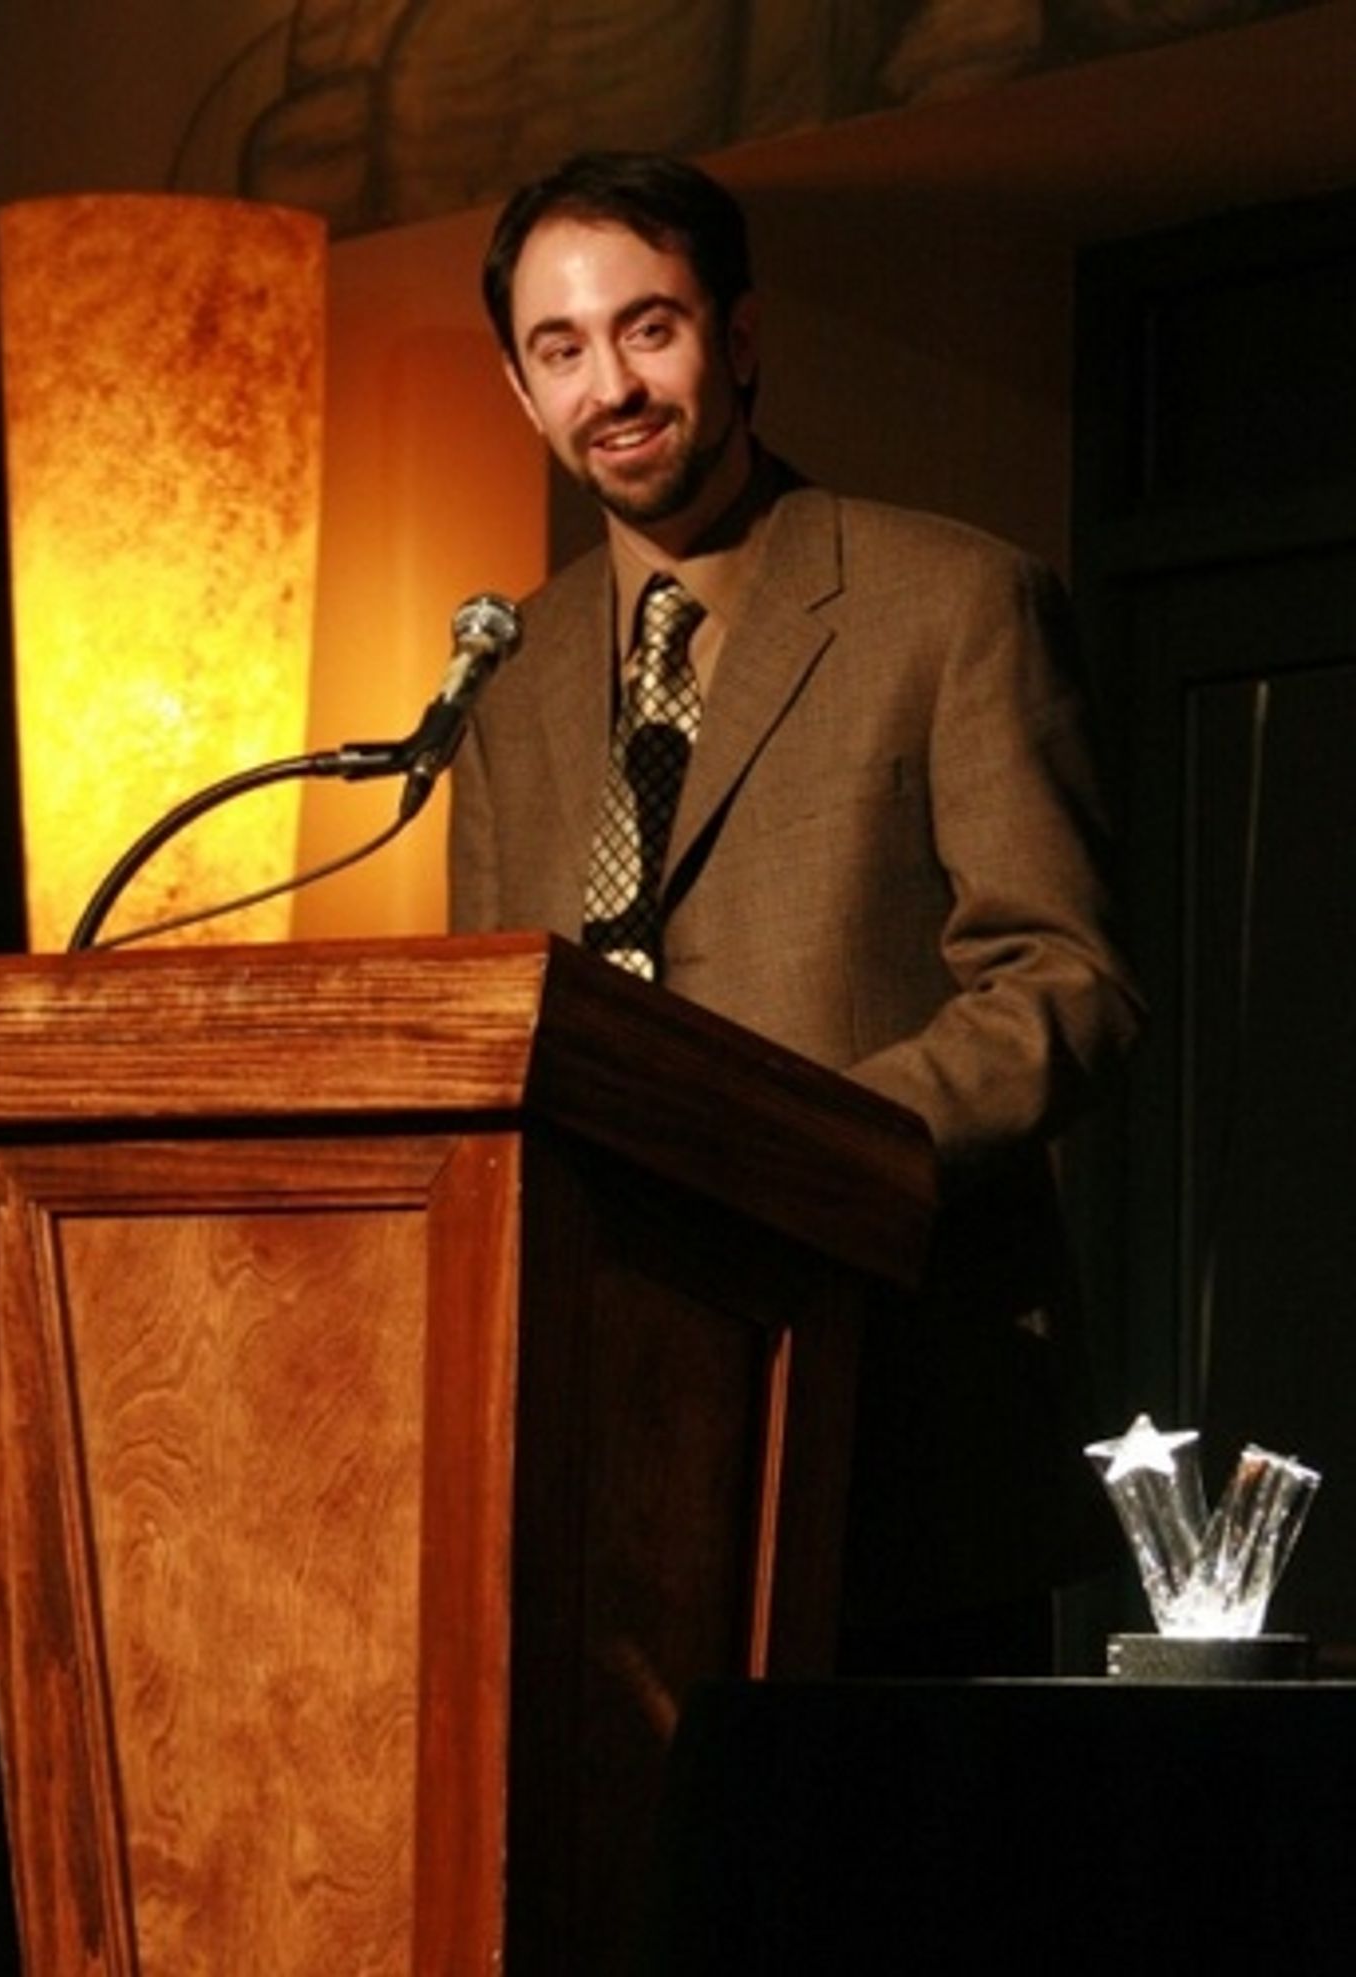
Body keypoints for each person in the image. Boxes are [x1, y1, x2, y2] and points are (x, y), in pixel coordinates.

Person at [449, 149, 1145, 1673]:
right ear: (521, 388)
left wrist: (806, 1150)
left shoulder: (954, 601)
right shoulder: (507, 684)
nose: (611, 386)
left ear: (741, 336)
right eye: (561, 349)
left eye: (649, 328)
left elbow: (1070, 981)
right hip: (606, 1450)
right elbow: (502, 1054)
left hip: (904, 1429)